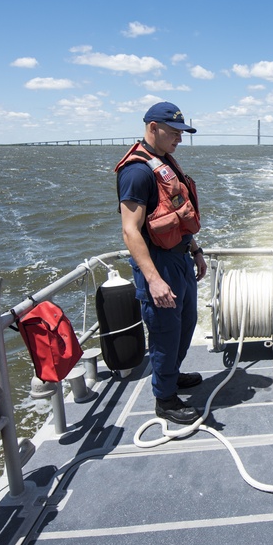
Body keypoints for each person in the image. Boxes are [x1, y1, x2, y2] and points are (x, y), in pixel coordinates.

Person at [115, 101, 208, 424]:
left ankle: (172, 374)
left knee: (185, 325)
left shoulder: (164, 162)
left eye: (182, 133)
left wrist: (195, 249)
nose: (179, 139)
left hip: (180, 258)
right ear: (153, 128)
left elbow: (178, 211)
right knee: (165, 332)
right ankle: (165, 399)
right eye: (174, 133)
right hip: (159, 263)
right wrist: (153, 279)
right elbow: (130, 231)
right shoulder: (137, 172)